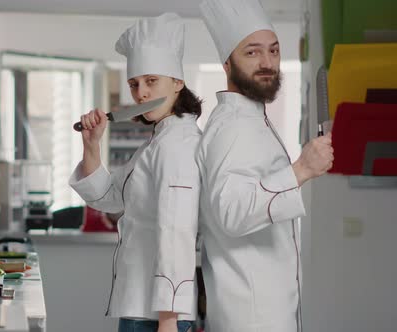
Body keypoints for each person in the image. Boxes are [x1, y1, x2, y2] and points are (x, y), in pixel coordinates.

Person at [197, 0, 334, 331]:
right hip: (252, 316)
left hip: (261, 309)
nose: (267, 62)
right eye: (252, 52)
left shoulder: (249, 118)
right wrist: (301, 169)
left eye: (273, 51)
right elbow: (230, 211)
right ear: (227, 64)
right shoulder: (233, 126)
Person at [69, 13, 203, 332]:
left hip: (157, 314)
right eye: (134, 84)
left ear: (178, 82)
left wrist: (169, 321)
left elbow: (176, 231)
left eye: (151, 80)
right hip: (142, 304)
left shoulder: (178, 145)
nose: (141, 93)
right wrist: (92, 145)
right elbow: (110, 198)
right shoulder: (158, 141)